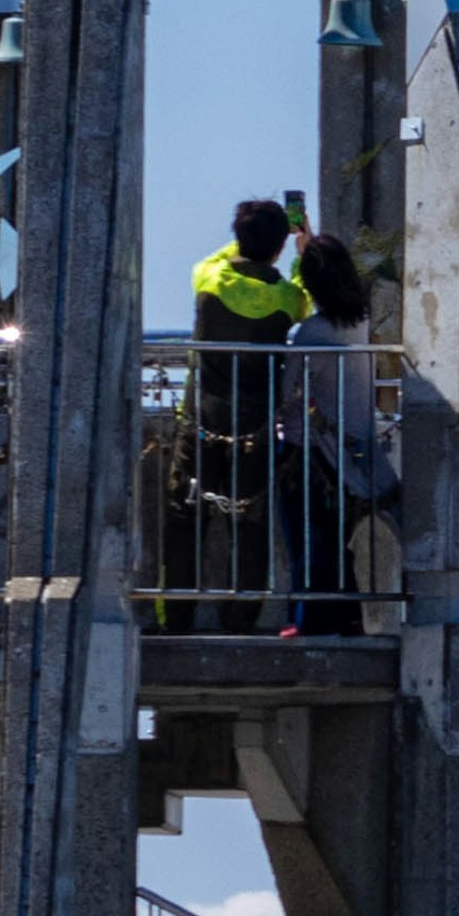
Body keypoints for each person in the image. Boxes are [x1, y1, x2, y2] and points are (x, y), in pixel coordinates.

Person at [185, 197, 309, 618]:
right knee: (249, 523)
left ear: (238, 239)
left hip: (201, 418)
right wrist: (301, 249)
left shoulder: (208, 281)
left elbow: (215, 259)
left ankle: (176, 614)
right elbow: (304, 295)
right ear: (277, 247)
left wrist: (242, 244)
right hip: (254, 425)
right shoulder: (286, 299)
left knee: (185, 517)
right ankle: (241, 616)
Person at [277, 227, 397, 633]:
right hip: (351, 450)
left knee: (307, 539)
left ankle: (308, 619)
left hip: (311, 448)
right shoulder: (358, 322)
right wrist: (309, 245)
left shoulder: (312, 332)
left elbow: (287, 391)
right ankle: (345, 617)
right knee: (337, 538)